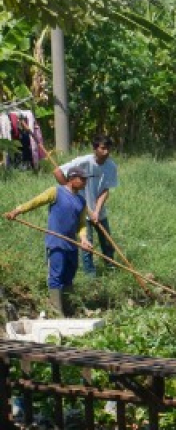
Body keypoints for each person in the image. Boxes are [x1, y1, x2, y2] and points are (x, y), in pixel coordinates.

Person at [5, 166, 93, 317]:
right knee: (56, 276)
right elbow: (35, 202)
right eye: (82, 179)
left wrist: (84, 239)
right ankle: (57, 313)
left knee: (69, 277)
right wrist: (16, 211)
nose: (85, 182)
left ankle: (70, 310)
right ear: (72, 179)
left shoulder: (81, 201)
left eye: (86, 179)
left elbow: (81, 224)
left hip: (71, 245)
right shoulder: (56, 192)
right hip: (56, 243)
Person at [53, 135, 118, 275]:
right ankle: (90, 274)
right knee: (87, 243)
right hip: (82, 210)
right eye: (103, 148)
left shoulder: (111, 166)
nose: (106, 152)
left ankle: (111, 268)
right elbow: (57, 172)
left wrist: (96, 210)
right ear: (95, 149)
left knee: (107, 242)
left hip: (98, 211)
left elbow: (105, 190)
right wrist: (70, 190)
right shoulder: (82, 162)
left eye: (108, 149)